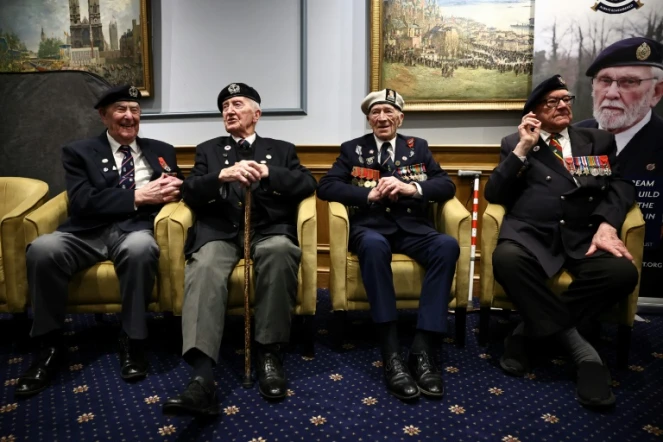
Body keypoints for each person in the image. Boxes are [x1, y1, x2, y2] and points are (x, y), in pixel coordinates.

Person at [16, 85, 184, 396]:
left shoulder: (161, 149)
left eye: (134, 110)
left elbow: (173, 190)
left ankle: (132, 339)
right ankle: (49, 344)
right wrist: (137, 196)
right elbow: (81, 201)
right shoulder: (79, 152)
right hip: (85, 232)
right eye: (120, 110)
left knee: (141, 249)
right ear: (103, 116)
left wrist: (175, 189)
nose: (129, 116)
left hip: (135, 229)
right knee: (42, 249)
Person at [163, 83, 316, 417]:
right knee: (203, 266)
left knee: (280, 253)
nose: (228, 111)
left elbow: (307, 183)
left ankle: (269, 352)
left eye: (237, 104)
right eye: (224, 108)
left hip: (267, 230)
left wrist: (268, 173)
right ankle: (202, 376)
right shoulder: (209, 150)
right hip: (220, 231)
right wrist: (221, 175)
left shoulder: (282, 149)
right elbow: (190, 191)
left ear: (256, 114)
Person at [485, 75, 638, 409]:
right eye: (552, 102)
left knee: (622, 274)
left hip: (584, 234)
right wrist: (523, 148)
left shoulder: (597, 139)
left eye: (565, 99)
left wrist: (607, 223)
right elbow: (495, 193)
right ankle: (583, 352)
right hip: (531, 234)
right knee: (506, 260)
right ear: (534, 112)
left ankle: (527, 333)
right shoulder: (517, 141)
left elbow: (622, 186)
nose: (563, 106)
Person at [317, 89, 459, 401]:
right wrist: (367, 195)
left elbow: (446, 184)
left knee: (447, 246)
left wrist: (411, 188)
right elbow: (326, 186)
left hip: (412, 227)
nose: (383, 117)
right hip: (370, 227)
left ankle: (422, 350)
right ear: (369, 119)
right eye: (376, 112)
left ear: (400, 118)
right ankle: (392, 352)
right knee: (372, 247)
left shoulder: (417, 147)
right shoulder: (353, 150)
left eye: (389, 112)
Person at [576, 37, 663, 297]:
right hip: (575, 243)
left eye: (628, 82)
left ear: (656, 93)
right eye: (604, 80)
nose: (612, 93)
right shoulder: (574, 136)